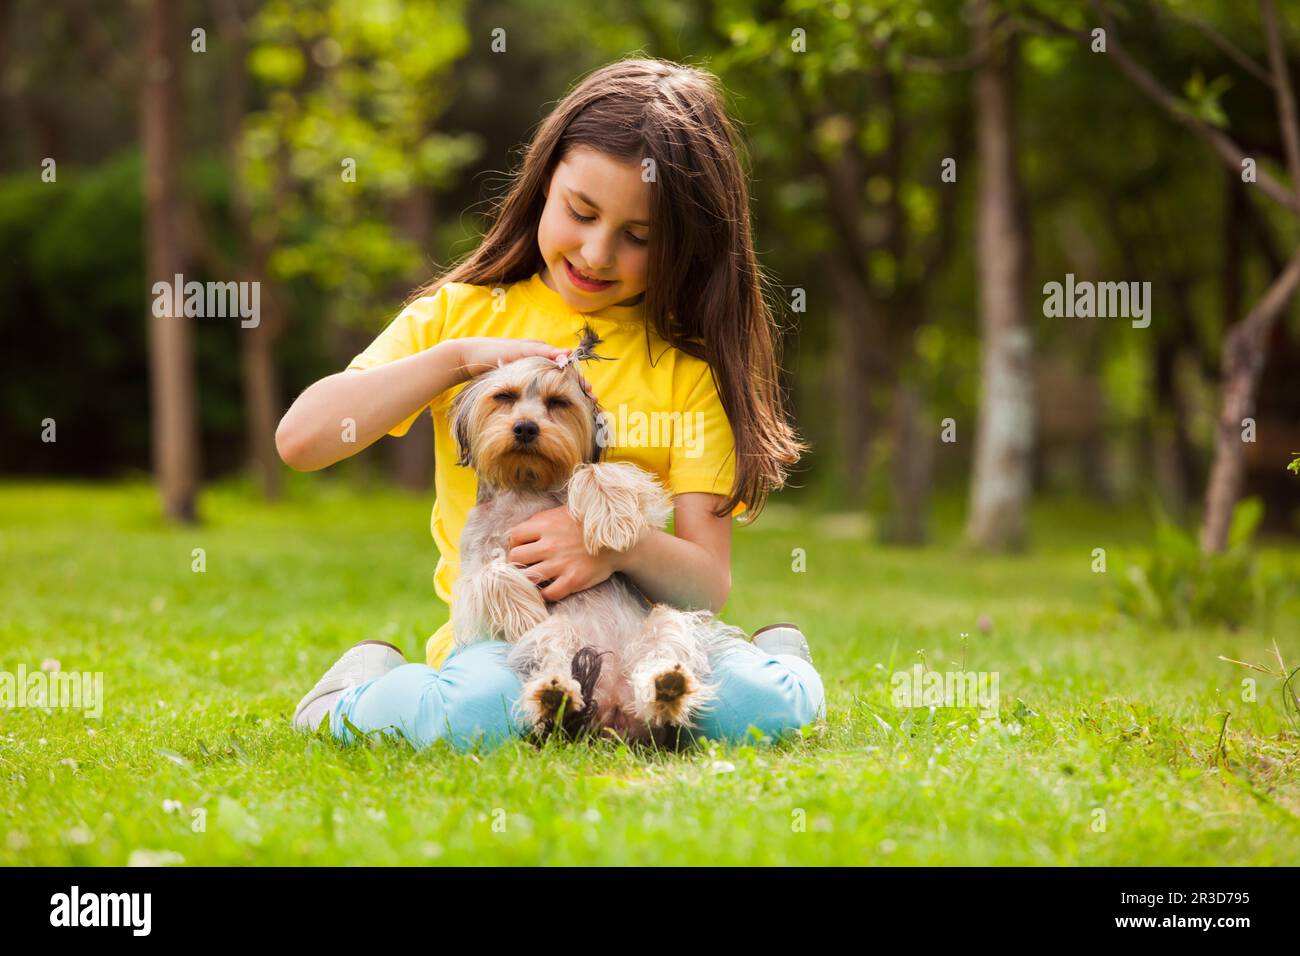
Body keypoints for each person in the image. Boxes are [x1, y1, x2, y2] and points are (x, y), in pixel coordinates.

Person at [277, 58, 824, 751]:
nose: (597, 252)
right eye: (581, 212)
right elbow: (302, 441)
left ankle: (785, 660)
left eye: (639, 237)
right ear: (543, 186)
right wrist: (457, 361)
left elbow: (706, 585)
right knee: (471, 718)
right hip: (511, 638)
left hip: (653, 640)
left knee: (756, 709)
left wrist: (613, 546)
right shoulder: (458, 318)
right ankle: (349, 694)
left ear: (685, 243)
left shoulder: (690, 374)